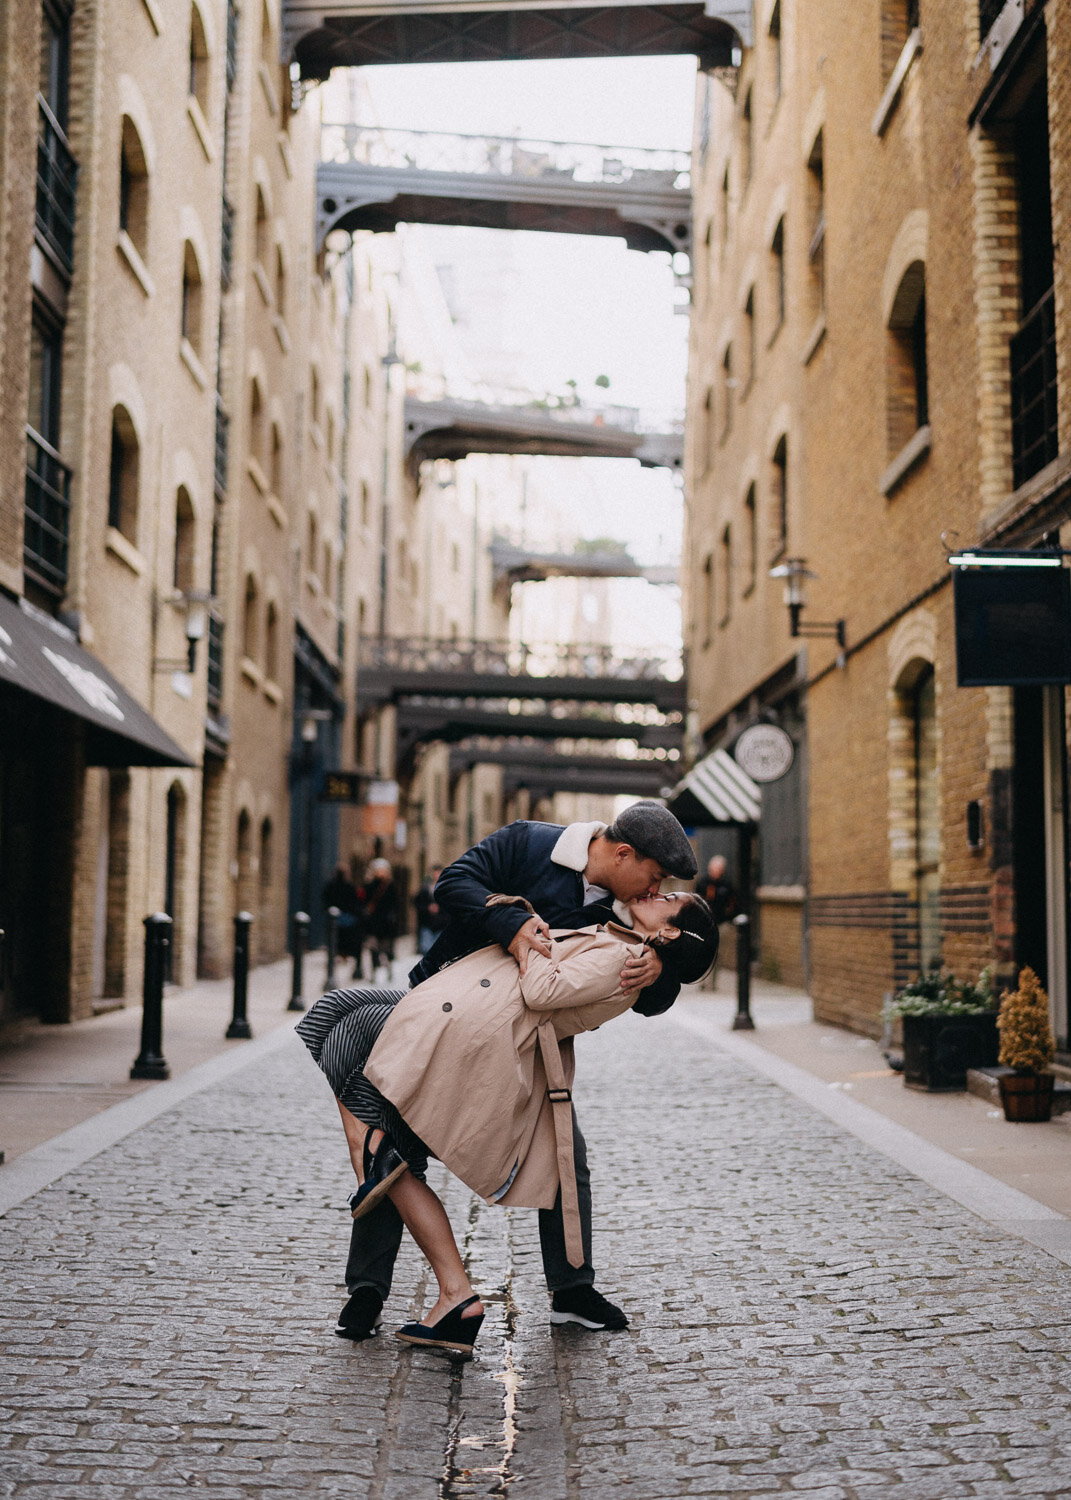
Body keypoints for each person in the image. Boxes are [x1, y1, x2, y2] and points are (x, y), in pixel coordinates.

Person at [297, 890, 717, 1358]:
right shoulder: (609, 924)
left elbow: (544, 989)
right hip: (459, 1003)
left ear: (670, 930)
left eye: (669, 894)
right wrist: (527, 918)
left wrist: (528, 938)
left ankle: (377, 1171)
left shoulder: (629, 957)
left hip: (477, 1025)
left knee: (339, 1025)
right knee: (337, 1023)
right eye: (657, 877)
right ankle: (374, 1166)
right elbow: (465, 888)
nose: (656, 889)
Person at [357, 857, 398, 982]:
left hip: (386, 924)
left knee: (386, 950)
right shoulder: (369, 885)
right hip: (373, 924)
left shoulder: (390, 886)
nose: (380, 872)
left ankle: (389, 969)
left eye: (383, 870)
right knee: (373, 949)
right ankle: (374, 972)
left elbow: (395, 904)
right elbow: (363, 901)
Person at [322, 864, 362, 964]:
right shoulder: (349, 887)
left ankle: (338, 954)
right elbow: (354, 901)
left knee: (335, 936)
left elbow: (325, 899)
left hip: (336, 917)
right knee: (345, 937)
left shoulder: (330, 886)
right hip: (346, 916)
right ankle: (343, 954)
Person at [412, 867, 446, 956]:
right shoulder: (424, 889)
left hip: (441, 924)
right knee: (426, 949)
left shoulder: (446, 888)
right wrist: (428, 908)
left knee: (438, 950)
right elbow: (417, 903)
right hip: (427, 924)